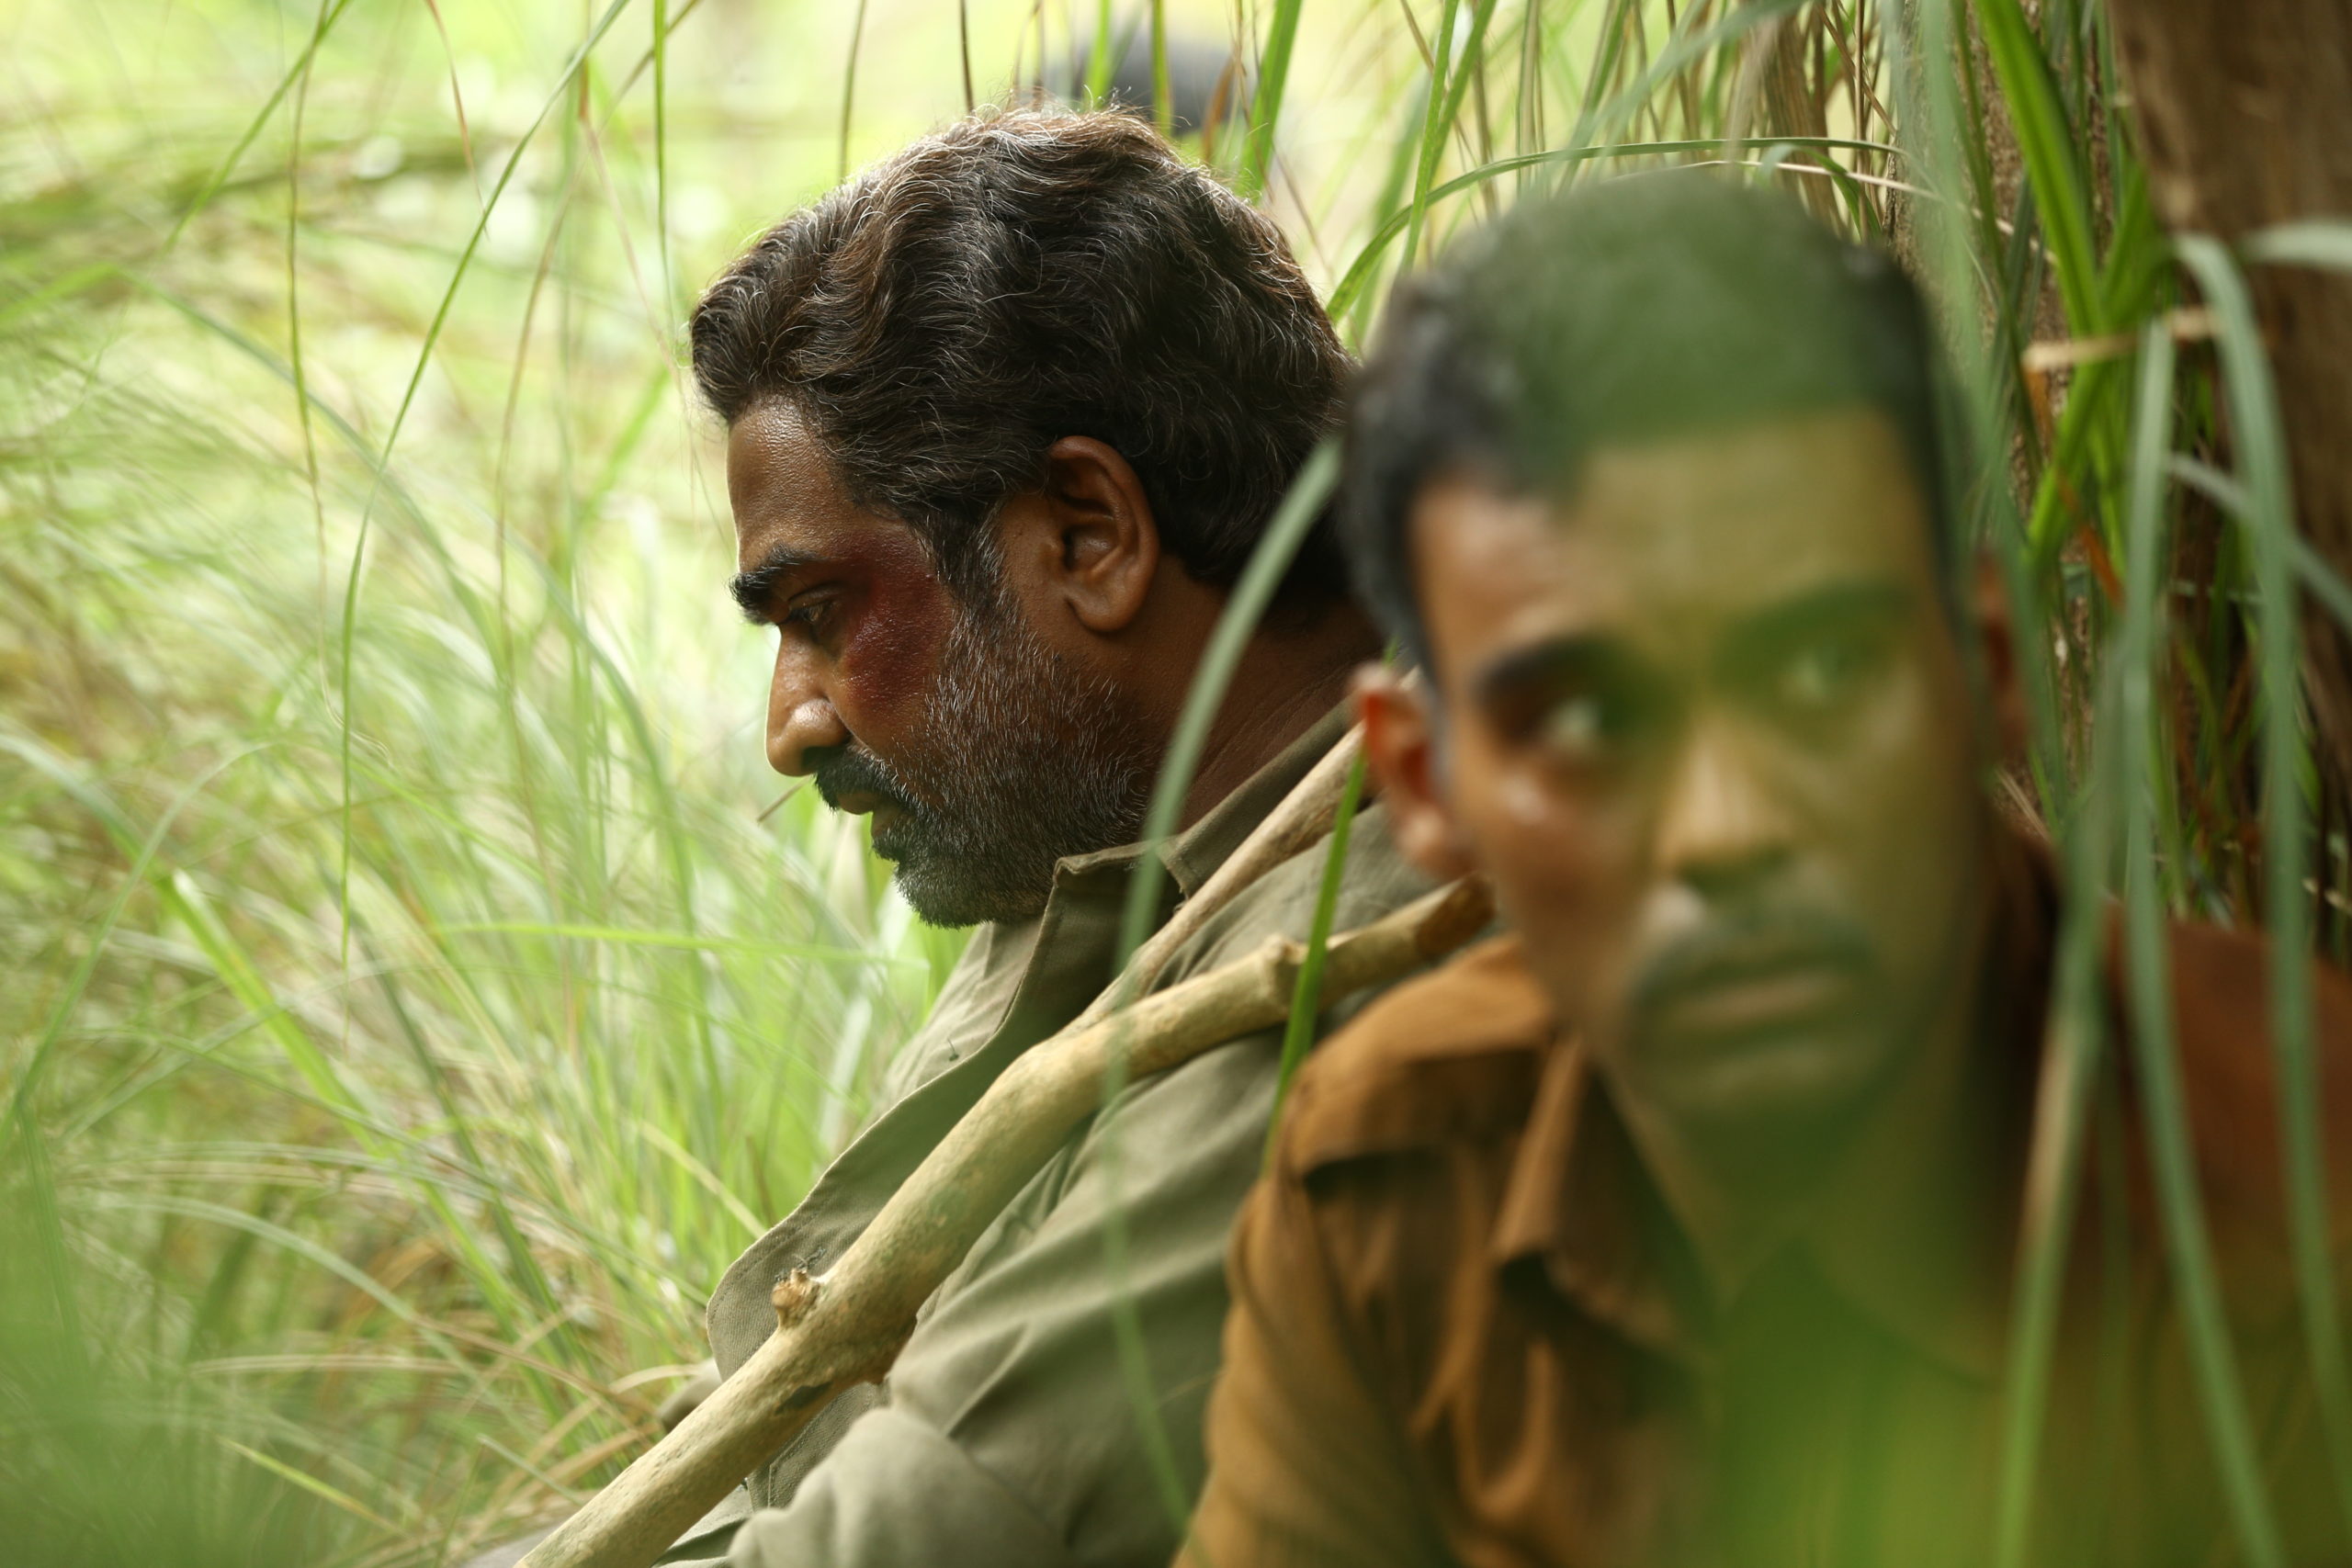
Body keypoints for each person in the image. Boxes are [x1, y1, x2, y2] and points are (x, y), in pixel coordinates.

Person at [1182, 175, 2352, 1568]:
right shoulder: (1390, 1181)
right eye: (1587, 722)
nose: (1724, 830)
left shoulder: (2299, 1187)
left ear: (1988, 670)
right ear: (1428, 786)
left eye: (1824, 670)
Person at [639, 109, 1428, 1568]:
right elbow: (756, 1463)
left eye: (823, 613)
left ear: (1090, 536)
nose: (791, 726)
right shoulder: (1099, 864)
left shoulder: (1373, 940)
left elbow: (920, 1539)